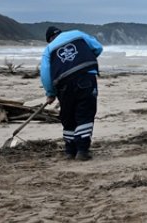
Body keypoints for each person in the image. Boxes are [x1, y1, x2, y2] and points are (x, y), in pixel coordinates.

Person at [40, 26, 103, 160]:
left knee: (68, 116)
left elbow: (45, 74)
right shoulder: (77, 34)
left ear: (49, 39)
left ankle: (70, 150)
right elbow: (98, 48)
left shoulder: (49, 49)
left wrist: (50, 92)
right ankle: (82, 151)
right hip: (86, 78)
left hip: (64, 85)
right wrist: (82, 58)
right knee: (85, 113)